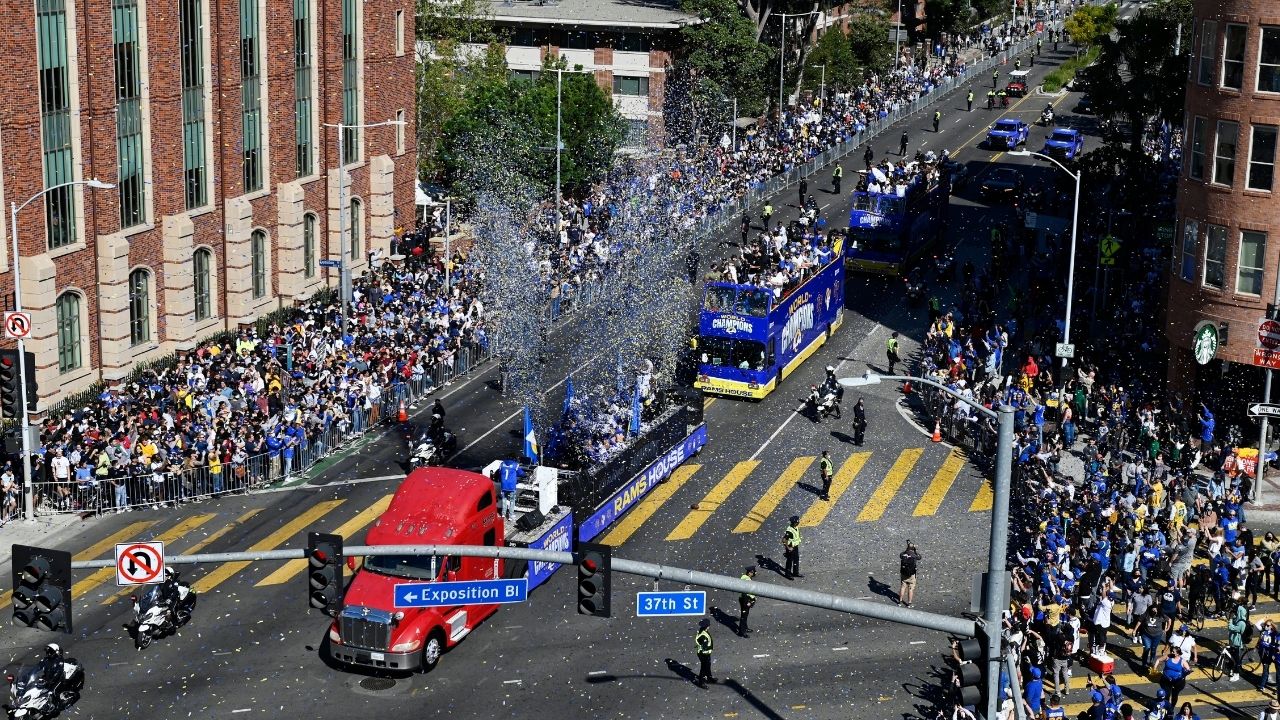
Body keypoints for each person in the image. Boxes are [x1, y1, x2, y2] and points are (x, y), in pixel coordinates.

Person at [1226, 602, 1250, 681]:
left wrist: (1230, 620)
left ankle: (1236, 674)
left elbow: (1231, 628)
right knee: (1233, 657)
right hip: (1234, 641)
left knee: (1236, 660)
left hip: (1237, 643)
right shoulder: (1238, 619)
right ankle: (1232, 669)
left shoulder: (1241, 623)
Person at [1258, 617, 1279, 691]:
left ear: (1271, 626)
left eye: (1268, 625)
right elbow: (1257, 624)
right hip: (1266, 654)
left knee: (1278, 672)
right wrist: (1264, 618)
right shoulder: (1263, 631)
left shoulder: (1275, 634)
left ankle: (1277, 687)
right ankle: (1262, 685)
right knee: (1265, 670)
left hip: (1273, 655)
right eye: (1265, 625)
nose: (1266, 626)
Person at [899, 542, 921, 607]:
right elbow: (919, 557)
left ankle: (900, 601)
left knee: (903, 587)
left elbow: (900, 555)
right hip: (912, 574)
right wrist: (915, 550)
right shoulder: (914, 555)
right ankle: (909, 603)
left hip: (903, 573)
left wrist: (907, 549)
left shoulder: (903, 554)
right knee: (911, 588)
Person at [695, 618, 715, 686]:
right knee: (703, 668)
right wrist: (708, 648)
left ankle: (709, 677)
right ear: (707, 626)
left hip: (706, 653)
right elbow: (704, 647)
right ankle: (701, 682)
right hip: (703, 654)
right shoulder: (703, 636)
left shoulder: (703, 630)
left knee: (708, 665)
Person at [738, 566, 756, 636]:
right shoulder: (747, 580)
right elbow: (745, 592)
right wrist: (747, 602)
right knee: (744, 616)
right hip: (745, 600)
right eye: (753, 572)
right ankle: (742, 632)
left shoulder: (745, 577)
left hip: (745, 599)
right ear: (750, 573)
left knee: (745, 615)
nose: (754, 574)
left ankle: (745, 628)